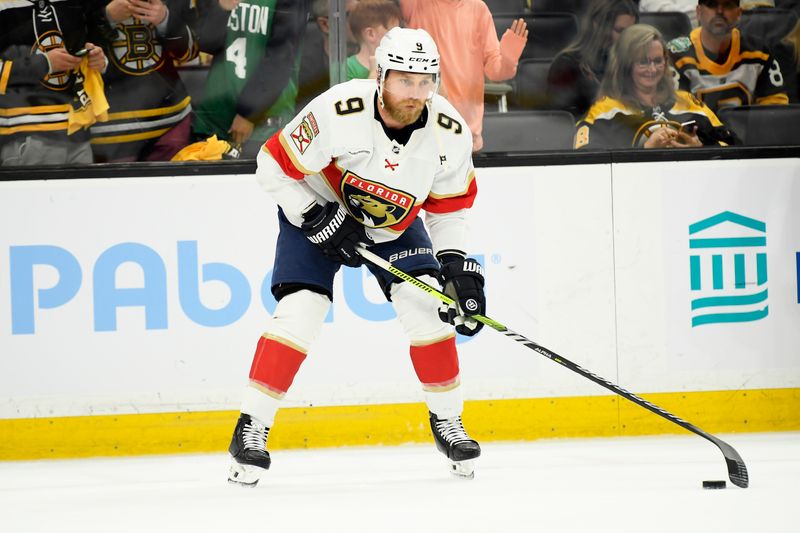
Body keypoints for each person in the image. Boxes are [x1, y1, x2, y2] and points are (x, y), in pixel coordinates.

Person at [227, 27, 486, 486]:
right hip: (316, 204)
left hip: (393, 224)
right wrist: (314, 215)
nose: (416, 94)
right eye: (405, 81)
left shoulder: (449, 131)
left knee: (427, 310)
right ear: (381, 75)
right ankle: (252, 428)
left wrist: (457, 266)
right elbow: (271, 165)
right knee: (301, 312)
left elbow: (449, 210)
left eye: (426, 82)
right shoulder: (337, 109)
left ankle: (449, 421)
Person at [575, 24, 736, 149]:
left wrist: (700, 149)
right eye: (643, 62)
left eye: (658, 61)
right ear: (626, 65)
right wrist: (645, 150)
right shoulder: (605, 111)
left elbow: (733, 146)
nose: (652, 69)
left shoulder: (688, 102)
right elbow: (587, 161)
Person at [400, 0, 528, 152]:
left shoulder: (478, 8)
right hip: (422, 132)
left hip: (466, 134)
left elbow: (495, 71)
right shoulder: (416, 4)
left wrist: (508, 59)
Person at [192, 0, 310, 158]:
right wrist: (221, 9)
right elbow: (206, 43)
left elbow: (280, 58)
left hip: (263, 121)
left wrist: (249, 112)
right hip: (216, 114)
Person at [0, 1, 109, 166]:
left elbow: (92, 42)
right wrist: (43, 63)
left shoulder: (76, 5)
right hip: (24, 133)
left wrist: (99, 60)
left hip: (77, 132)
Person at [90, 0, 199, 162]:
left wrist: (165, 19)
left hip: (171, 122)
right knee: (117, 187)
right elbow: (68, 47)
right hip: (109, 129)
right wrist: (105, 18)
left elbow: (190, 52)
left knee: (174, 185)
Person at [668, 0, 790, 112]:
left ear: (739, 14)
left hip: (748, 135)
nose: (720, 11)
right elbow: (674, 115)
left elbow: (775, 112)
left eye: (727, 5)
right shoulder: (676, 56)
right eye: (711, 4)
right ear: (698, 12)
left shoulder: (760, 54)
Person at [547, 0, 639, 119]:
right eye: (620, 31)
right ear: (598, 26)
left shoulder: (635, 64)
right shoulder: (567, 65)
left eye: (631, 32)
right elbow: (563, 122)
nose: (627, 38)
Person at [346, 0, 402, 80]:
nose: (398, 36)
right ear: (370, 34)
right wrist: (374, 73)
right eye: (392, 31)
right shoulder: (347, 67)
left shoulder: (399, 63)